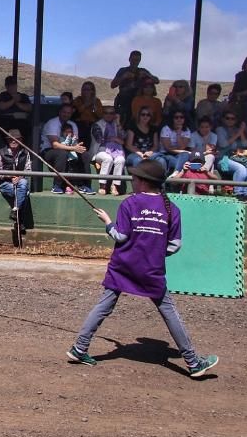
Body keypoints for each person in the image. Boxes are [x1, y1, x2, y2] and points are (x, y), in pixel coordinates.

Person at [66, 159, 219, 378]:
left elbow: (120, 236)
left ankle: (80, 348)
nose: (132, 181)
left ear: (144, 182)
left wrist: (107, 222)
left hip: (123, 266)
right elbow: (175, 245)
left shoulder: (129, 203)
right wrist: (155, 252)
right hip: (151, 270)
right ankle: (193, 362)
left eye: (135, 178)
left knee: (103, 306)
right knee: (169, 312)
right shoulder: (171, 209)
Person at [40, 104, 93, 194]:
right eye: (64, 112)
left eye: (69, 113)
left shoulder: (72, 125)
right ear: (60, 112)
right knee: (62, 154)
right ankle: (57, 185)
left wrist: (77, 147)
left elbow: (75, 142)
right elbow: (55, 145)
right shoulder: (52, 123)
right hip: (48, 151)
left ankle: (85, 185)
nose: (66, 114)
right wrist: (73, 148)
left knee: (84, 154)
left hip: (68, 149)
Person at [215, 110, 247, 201]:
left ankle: (246, 194)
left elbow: (244, 144)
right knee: (241, 169)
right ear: (223, 119)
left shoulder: (236, 129)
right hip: (222, 160)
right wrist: (239, 133)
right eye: (227, 118)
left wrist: (241, 131)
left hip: (237, 158)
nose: (230, 120)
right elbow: (223, 144)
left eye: (233, 119)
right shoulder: (220, 129)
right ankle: (238, 194)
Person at [0, 129, 33, 229]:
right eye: (11, 139)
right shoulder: (1, 153)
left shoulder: (25, 153)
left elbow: (28, 170)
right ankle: (20, 222)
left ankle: (15, 211)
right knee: (24, 192)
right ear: (7, 140)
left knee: (23, 183)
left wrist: (19, 178)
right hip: (5, 184)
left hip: (20, 183)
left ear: (20, 140)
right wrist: (10, 177)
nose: (13, 141)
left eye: (16, 139)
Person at [111, 50, 158, 127]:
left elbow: (156, 81)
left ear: (140, 60)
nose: (135, 62)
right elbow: (112, 85)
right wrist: (123, 77)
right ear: (129, 59)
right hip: (123, 102)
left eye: (137, 60)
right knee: (122, 125)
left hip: (139, 102)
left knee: (137, 124)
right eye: (133, 60)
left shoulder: (142, 70)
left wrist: (147, 75)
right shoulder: (123, 70)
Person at [90, 105, 126, 195]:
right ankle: (102, 186)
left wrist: (118, 123)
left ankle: (115, 186)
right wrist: (115, 139)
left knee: (121, 160)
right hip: (100, 151)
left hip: (117, 152)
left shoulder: (116, 124)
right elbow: (99, 139)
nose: (109, 115)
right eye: (106, 113)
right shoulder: (97, 125)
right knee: (108, 158)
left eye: (111, 113)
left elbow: (124, 137)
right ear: (102, 114)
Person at [0, 75, 32, 143]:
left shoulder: (23, 96)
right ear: (6, 86)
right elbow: (1, 106)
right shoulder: (3, 95)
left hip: (21, 121)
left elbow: (29, 108)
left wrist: (17, 103)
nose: (11, 87)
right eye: (9, 85)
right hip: (6, 121)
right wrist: (13, 100)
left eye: (13, 85)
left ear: (16, 85)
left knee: (27, 130)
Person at [72, 81, 102, 147]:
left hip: (92, 125)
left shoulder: (97, 101)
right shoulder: (78, 100)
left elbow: (100, 115)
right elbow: (74, 113)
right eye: (84, 89)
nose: (86, 91)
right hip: (79, 125)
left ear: (92, 91)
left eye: (88, 89)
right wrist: (86, 104)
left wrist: (94, 106)